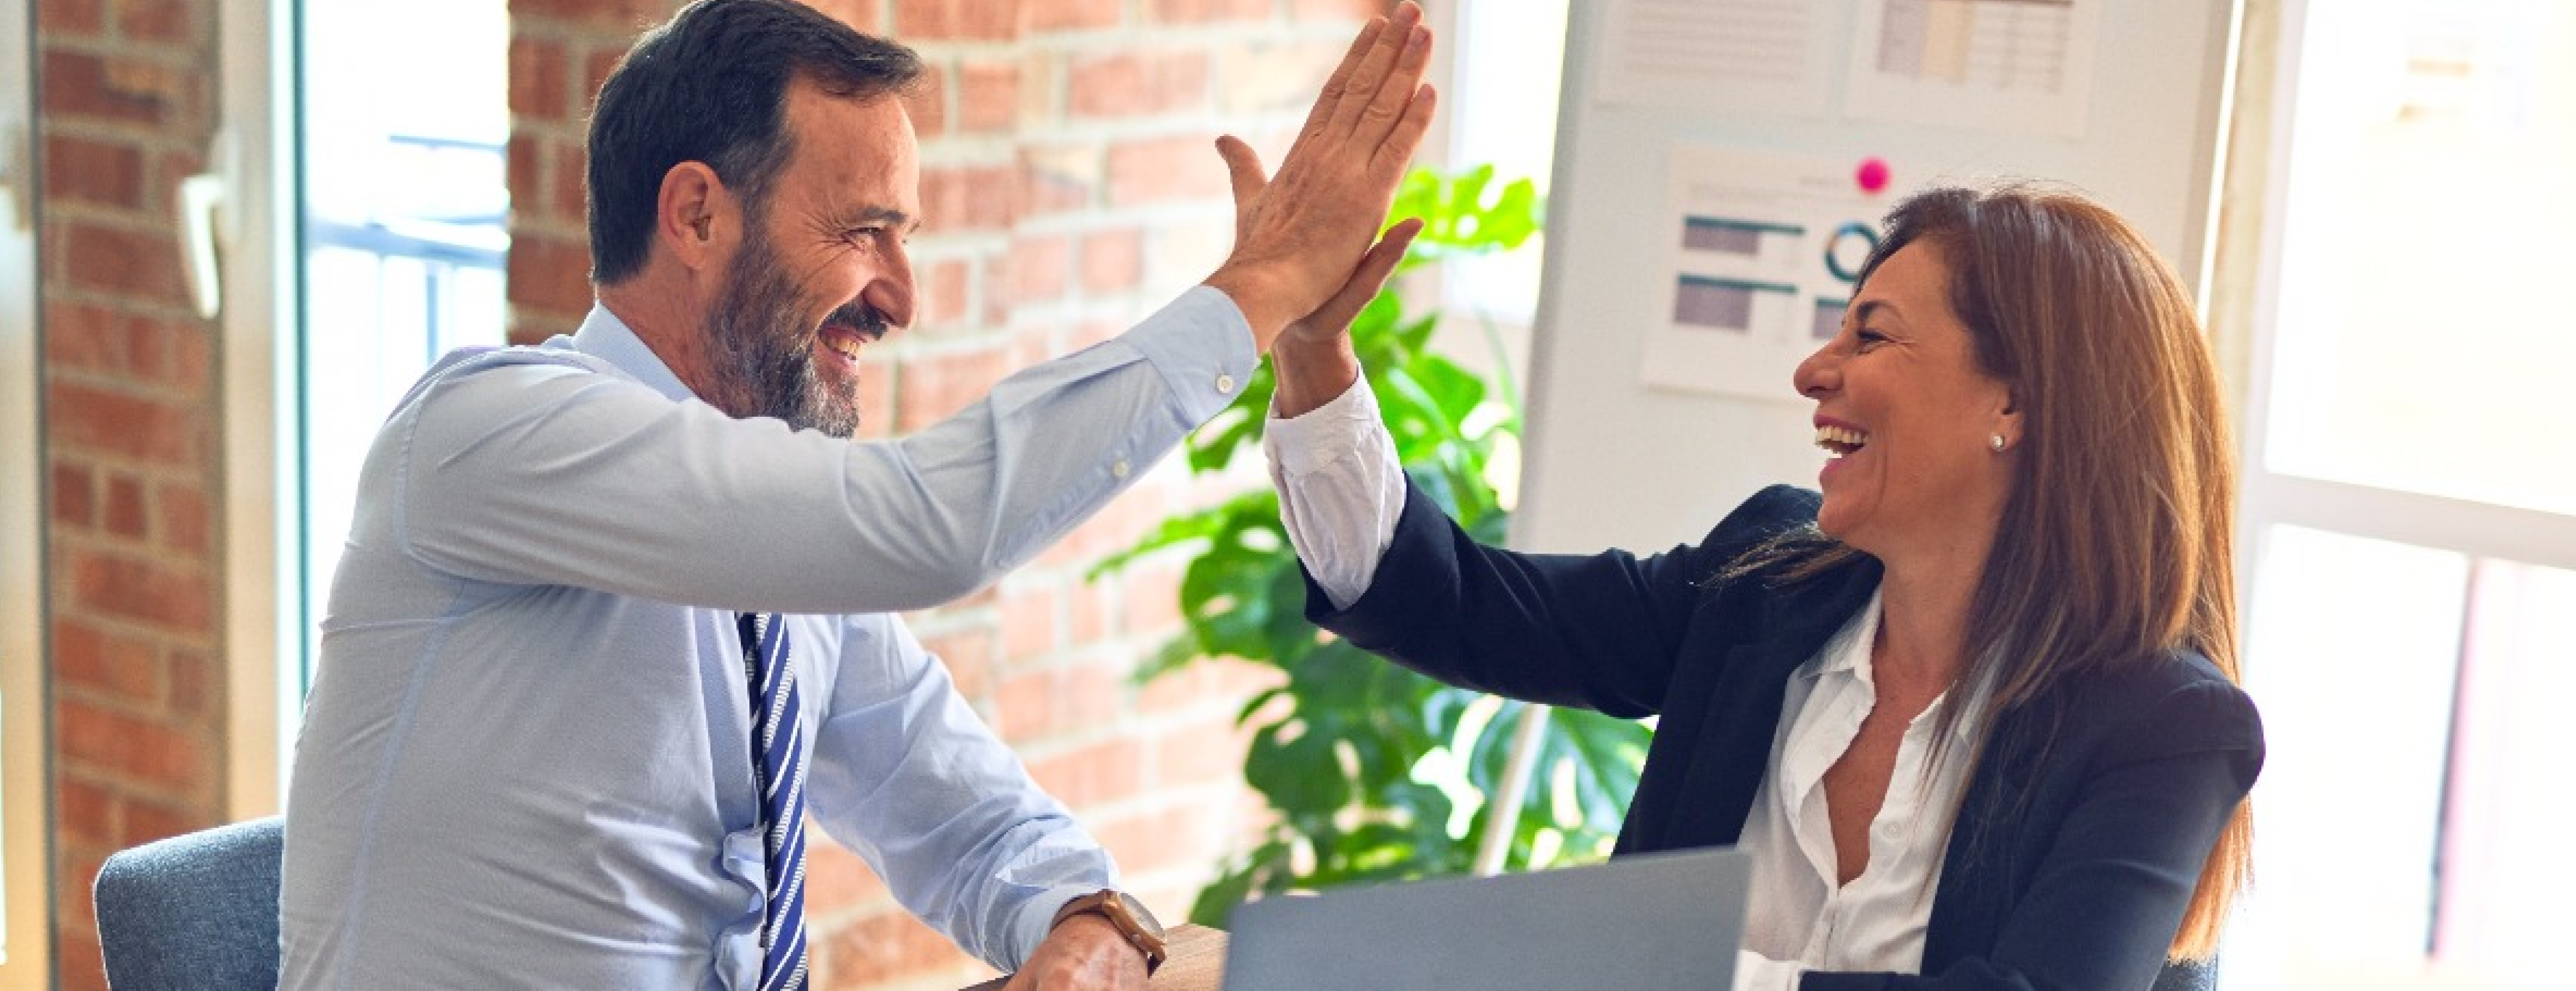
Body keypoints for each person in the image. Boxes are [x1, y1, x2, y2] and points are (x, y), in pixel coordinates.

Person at [276, 0, 1437, 987]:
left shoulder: (777, 555)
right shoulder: (488, 432)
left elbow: (950, 800)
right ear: (695, 215)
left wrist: (1082, 919)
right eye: (863, 232)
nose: (900, 297)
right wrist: (1262, 285)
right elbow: (924, 528)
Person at [1261, 184, 2262, 990]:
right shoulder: (1766, 580)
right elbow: (1452, 602)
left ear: (2014, 402)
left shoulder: (2166, 726)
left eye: (1871, 337)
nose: (1813, 371)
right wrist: (1313, 351)